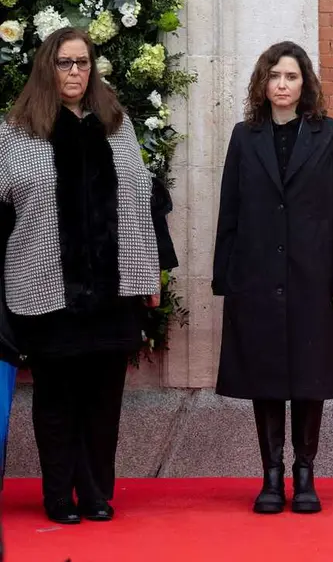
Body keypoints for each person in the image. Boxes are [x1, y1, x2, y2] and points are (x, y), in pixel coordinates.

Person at [0, 27, 177, 525]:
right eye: (64, 63)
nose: (74, 72)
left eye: (82, 63)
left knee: (103, 401)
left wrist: (151, 277)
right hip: (46, 289)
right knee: (56, 400)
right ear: (46, 68)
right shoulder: (15, 131)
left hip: (112, 292)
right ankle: (59, 495)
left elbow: (143, 205)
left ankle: (96, 491)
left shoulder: (117, 125)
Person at [212, 41, 333, 515]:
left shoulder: (330, 135)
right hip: (255, 277)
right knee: (267, 376)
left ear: (305, 84)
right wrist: (226, 279)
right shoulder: (244, 136)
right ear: (263, 82)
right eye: (274, 75)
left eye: (291, 76)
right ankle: (271, 476)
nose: (282, 84)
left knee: (311, 375)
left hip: (314, 278)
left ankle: (306, 474)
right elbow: (229, 211)